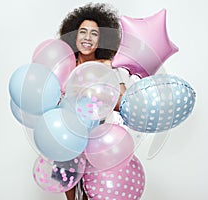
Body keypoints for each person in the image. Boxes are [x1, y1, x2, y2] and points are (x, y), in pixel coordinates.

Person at [58, 3, 126, 200]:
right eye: (83, 32)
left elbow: (122, 103)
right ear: (74, 35)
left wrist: (97, 89)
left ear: (102, 39)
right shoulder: (63, 66)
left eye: (94, 34)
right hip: (66, 140)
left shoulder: (108, 69)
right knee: (68, 183)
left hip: (96, 140)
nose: (87, 38)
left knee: (91, 192)